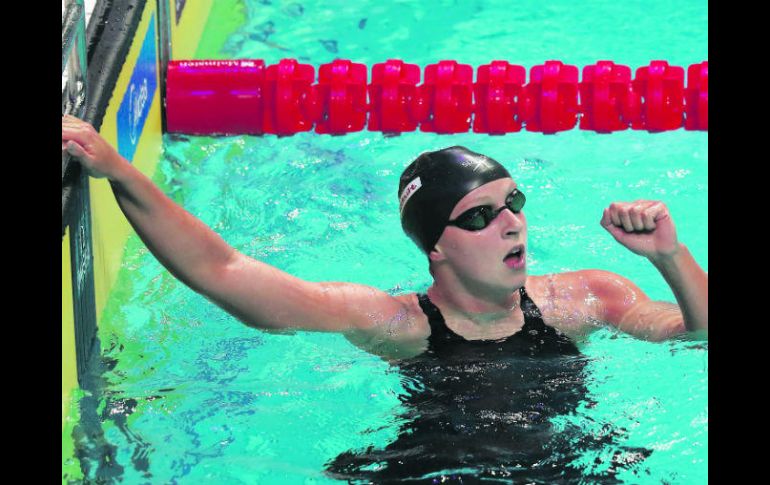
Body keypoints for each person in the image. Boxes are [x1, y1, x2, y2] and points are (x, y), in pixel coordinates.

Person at [63, 114, 707, 482]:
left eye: (513, 203)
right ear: (437, 248)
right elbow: (228, 273)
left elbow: (696, 333)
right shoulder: (398, 323)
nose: (511, 223)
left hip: (567, 466)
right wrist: (120, 170)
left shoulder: (585, 298)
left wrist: (670, 257)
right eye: (479, 216)